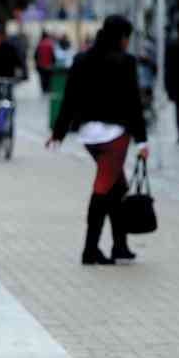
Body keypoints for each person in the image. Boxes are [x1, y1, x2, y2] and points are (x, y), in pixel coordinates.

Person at [46, 15, 148, 265]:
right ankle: (90, 250)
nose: (127, 42)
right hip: (115, 136)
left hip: (89, 135)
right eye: (127, 37)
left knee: (117, 187)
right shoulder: (126, 62)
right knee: (103, 188)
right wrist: (142, 141)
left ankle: (120, 246)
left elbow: (69, 98)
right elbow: (134, 103)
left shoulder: (82, 59)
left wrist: (58, 133)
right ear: (122, 37)